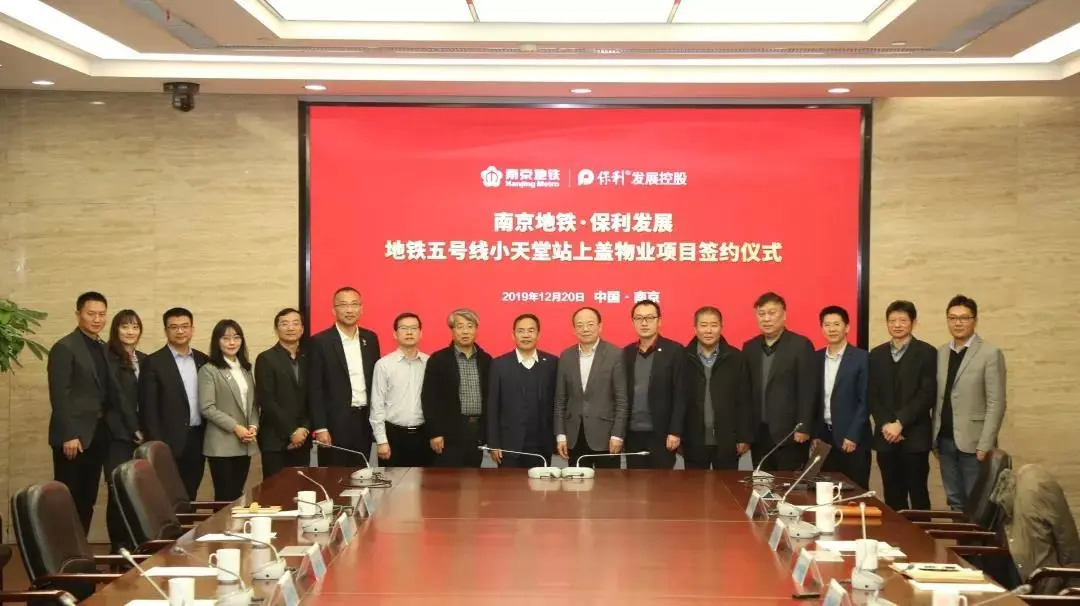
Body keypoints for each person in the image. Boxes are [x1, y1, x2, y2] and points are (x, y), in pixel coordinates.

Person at [47, 291, 124, 534]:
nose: (97, 319)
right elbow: (59, 395)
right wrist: (69, 434)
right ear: (78, 314)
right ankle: (62, 552)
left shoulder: (103, 347)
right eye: (91, 314)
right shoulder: (64, 347)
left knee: (87, 499)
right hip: (74, 437)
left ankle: (80, 549)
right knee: (68, 499)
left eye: (102, 314)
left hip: (98, 432)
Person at [934, 295, 1007, 510]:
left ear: (975, 320)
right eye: (953, 318)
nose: (958, 323)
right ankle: (958, 534)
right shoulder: (941, 353)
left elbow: (996, 403)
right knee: (954, 500)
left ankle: (976, 535)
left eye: (964, 318)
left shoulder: (990, 353)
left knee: (977, 502)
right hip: (945, 440)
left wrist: (986, 444)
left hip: (975, 444)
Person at [868, 300, 937, 511]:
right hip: (885, 437)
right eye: (892, 320)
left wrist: (900, 423)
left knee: (918, 495)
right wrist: (886, 424)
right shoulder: (876, 354)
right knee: (892, 495)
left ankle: (921, 534)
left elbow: (927, 394)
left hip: (915, 437)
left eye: (903, 320)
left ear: (913, 322)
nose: (897, 325)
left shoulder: (927, 352)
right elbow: (872, 394)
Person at [140, 307, 209, 499]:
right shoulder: (154, 362)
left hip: (197, 438)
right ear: (166, 330)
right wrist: (156, 444)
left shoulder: (203, 359)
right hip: (168, 441)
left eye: (185, 326)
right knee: (167, 496)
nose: (180, 331)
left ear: (192, 329)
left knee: (191, 493)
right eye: (174, 327)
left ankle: (188, 521)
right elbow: (148, 409)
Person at [308, 287, 380, 467]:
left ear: (361, 309)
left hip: (364, 420)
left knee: (361, 474)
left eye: (354, 304)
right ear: (334, 310)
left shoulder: (370, 339)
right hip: (335, 423)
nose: (349, 310)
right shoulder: (320, 342)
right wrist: (321, 427)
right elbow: (315, 388)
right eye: (343, 305)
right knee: (333, 476)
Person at [743, 292, 815, 471]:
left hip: (790, 433)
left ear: (784, 315)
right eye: (761, 314)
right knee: (762, 483)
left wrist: (804, 426)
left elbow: (808, 389)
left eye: (772, 313)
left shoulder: (800, 345)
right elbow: (745, 391)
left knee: (787, 484)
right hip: (759, 434)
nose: (766, 318)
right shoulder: (750, 347)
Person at [554, 307, 628, 469]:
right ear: (574, 330)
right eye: (580, 325)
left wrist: (617, 435)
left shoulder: (615, 354)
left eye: (590, 324)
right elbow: (560, 399)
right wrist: (561, 435)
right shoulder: (566, 356)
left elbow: (621, 399)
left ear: (600, 326)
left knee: (608, 484)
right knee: (576, 483)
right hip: (575, 436)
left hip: (606, 436)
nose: (585, 329)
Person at [681, 306, 752, 470]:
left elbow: (744, 399)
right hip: (693, 440)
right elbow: (677, 400)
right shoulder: (683, 357)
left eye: (714, 325)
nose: (708, 330)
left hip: (727, 440)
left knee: (727, 485)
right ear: (695, 328)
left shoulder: (736, 358)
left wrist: (744, 436)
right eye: (703, 325)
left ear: (721, 327)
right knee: (694, 485)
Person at [486, 314, 558, 468]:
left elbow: (558, 402)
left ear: (538, 334)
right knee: (509, 484)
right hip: (509, 446)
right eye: (521, 331)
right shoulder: (499, 365)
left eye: (531, 330)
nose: (526, 335)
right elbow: (493, 406)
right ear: (513, 335)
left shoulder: (552, 363)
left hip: (542, 445)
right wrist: (493, 443)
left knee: (540, 483)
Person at [422, 309, 492, 467]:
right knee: (448, 480)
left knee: (473, 478)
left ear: (476, 330)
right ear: (452, 331)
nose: (465, 331)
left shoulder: (486, 360)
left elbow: (490, 398)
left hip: (476, 432)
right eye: (460, 326)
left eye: (470, 326)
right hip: (448, 434)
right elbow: (429, 399)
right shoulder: (438, 360)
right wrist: (435, 432)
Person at [621, 299, 687, 469]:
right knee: (634, 481)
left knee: (661, 482)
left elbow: (680, 394)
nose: (644, 323)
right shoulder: (627, 353)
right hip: (633, 434)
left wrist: (675, 431)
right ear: (633, 322)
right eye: (639, 318)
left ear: (659, 321)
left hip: (662, 435)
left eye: (650, 318)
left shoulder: (674, 351)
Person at [198, 319, 258, 501]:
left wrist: (253, 426)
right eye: (225, 338)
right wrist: (236, 427)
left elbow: (252, 404)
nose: (232, 342)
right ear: (217, 341)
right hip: (222, 444)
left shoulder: (246, 369)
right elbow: (207, 407)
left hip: (245, 442)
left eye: (236, 337)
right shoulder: (209, 370)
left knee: (237, 496)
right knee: (225, 498)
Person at [813, 306, 871, 489]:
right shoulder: (815, 358)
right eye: (827, 325)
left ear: (847, 327)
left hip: (852, 439)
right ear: (822, 328)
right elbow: (813, 400)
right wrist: (815, 434)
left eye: (837, 324)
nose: (832, 329)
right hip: (825, 439)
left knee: (854, 491)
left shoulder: (862, 358)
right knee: (824, 491)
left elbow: (865, 400)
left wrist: (853, 435)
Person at [104, 309, 146, 551]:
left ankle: (137, 544)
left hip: (142, 435)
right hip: (117, 434)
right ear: (116, 329)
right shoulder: (108, 358)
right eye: (125, 326)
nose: (130, 331)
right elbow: (117, 398)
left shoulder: (145, 359)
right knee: (118, 490)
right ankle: (118, 548)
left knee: (138, 491)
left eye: (135, 327)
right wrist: (134, 428)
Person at [255, 308, 310, 479]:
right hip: (275, 440)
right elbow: (267, 400)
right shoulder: (266, 359)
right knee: (275, 491)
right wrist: (291, 431)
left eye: (295, 323)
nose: (290, 328)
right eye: (284, 324)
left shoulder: (309, 358)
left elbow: (313, 397)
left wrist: (304, 428)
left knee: (301, 489)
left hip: (303, 439)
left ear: (302, 329)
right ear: (276, 329)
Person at [370, 313, 431, 467]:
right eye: (404, 328)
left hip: (423, 435)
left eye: (414, 328)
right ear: (395, 334)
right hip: (393, 436)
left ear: (420, 333)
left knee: (423, 481)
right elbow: (377, 405)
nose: (409, 332)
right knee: (392, 481)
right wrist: (381, 440)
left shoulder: (429, 363)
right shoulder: (384, 364)